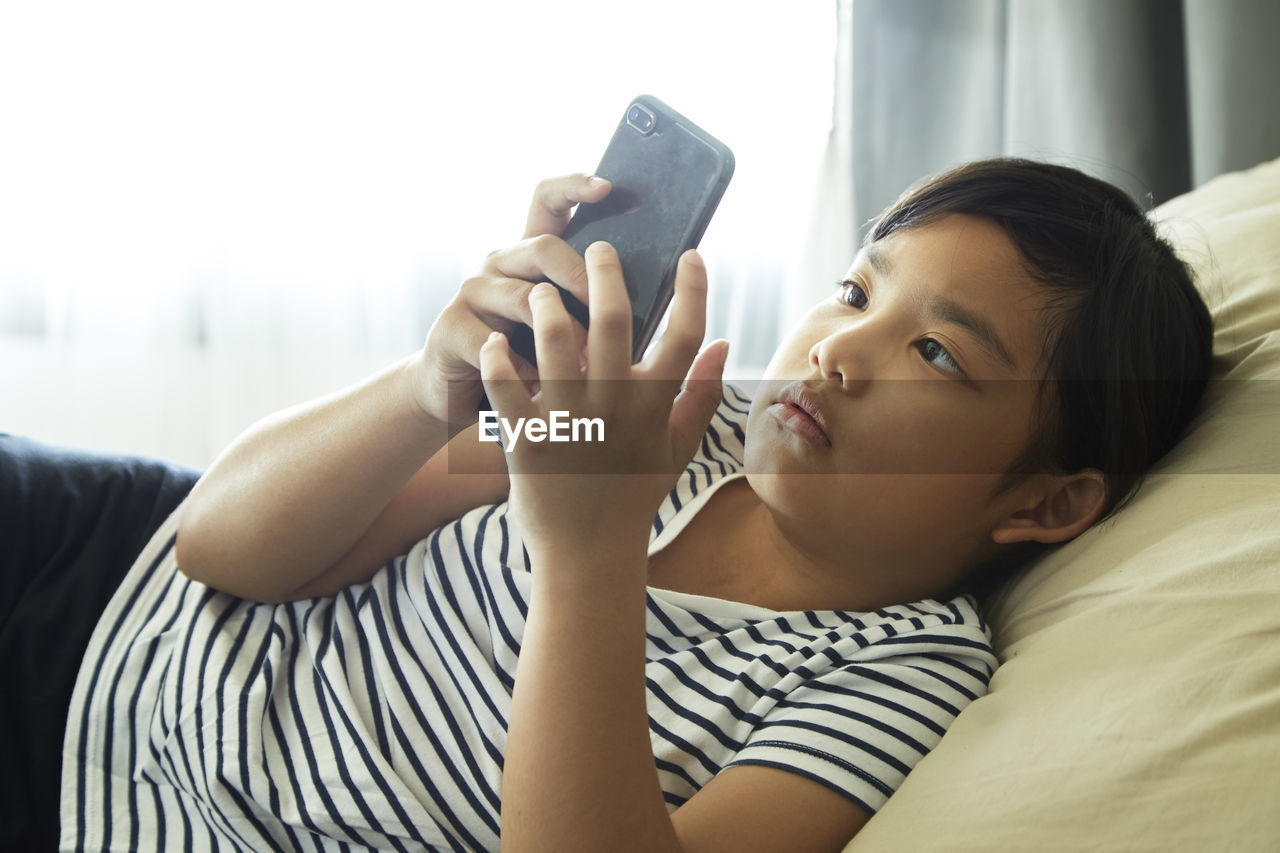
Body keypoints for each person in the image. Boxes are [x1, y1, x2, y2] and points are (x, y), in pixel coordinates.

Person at [57, 159, 1212, 852]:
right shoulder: (681, 423)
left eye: (935, 353)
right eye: (856, 290)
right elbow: (220, 550)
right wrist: (432, 388)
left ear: (1046, 502)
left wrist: (587, 551)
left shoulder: (896, 671)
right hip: (112, 607)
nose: (836, 350)